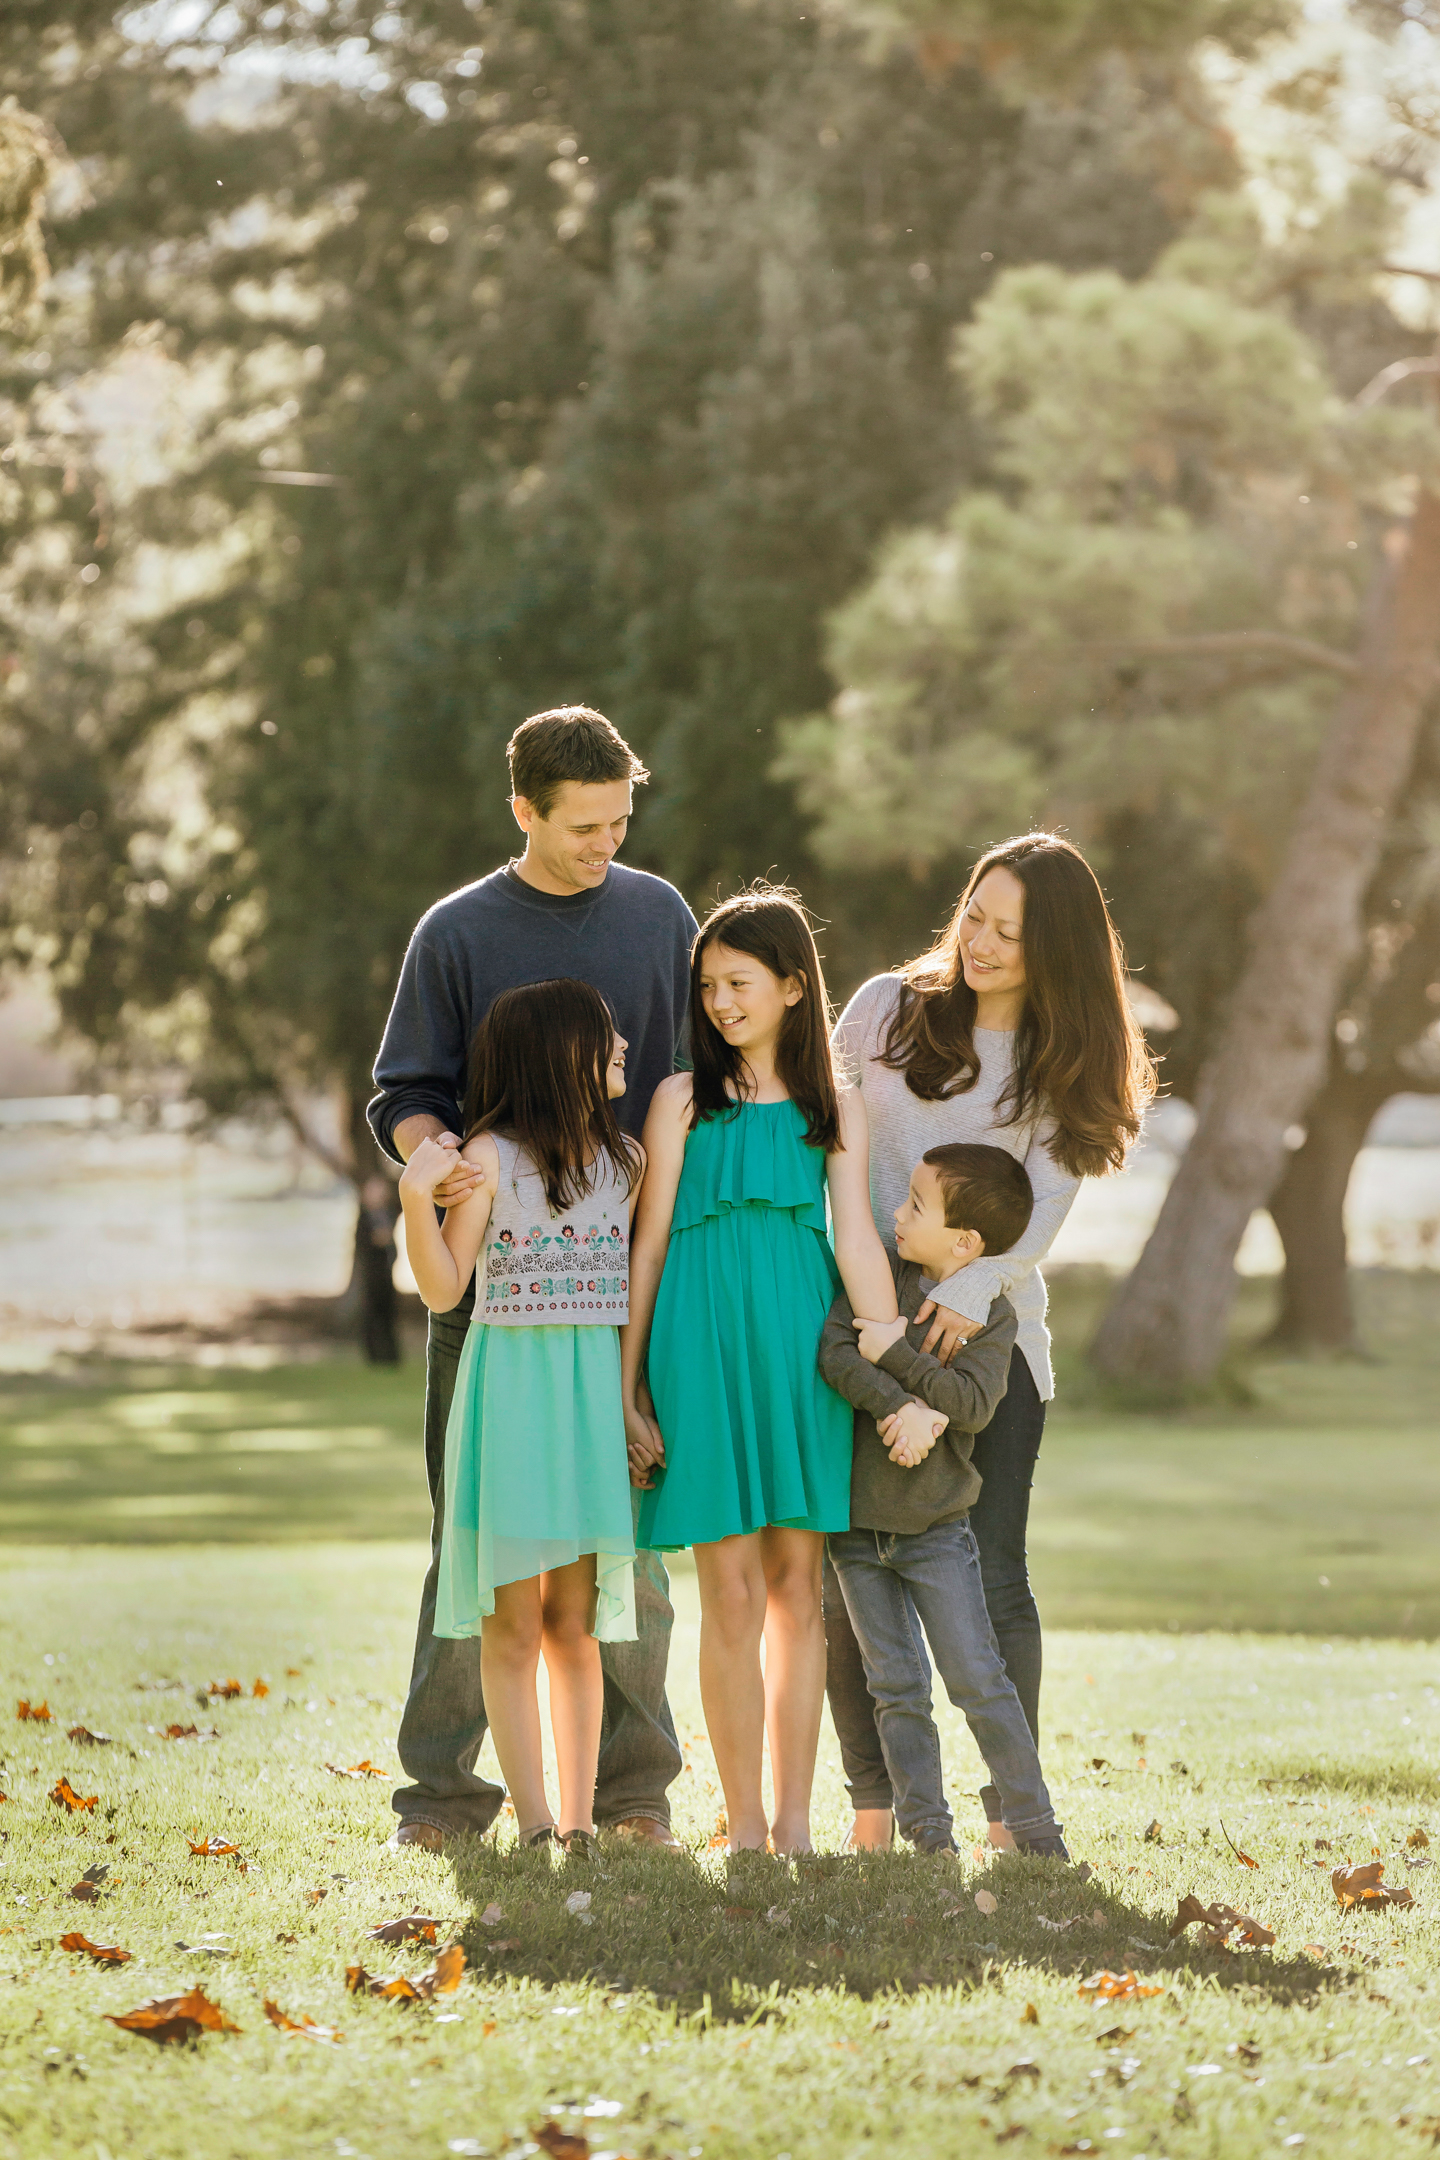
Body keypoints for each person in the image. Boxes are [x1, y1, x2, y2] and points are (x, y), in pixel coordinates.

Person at [368, 705, 697, 1852]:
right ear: (524, 811)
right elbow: (404, 1089)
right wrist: (437, 1160)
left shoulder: (660, 916)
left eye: (620, 821)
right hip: (493, 1282)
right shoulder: (457, 932)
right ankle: (447, 1800)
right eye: (581, 827)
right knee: (476, 1550)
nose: (606, 843)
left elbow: (687, 1078)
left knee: (632, 1564)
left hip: (621, 1284)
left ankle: (630, 1797)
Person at [826, 832, 1155, 1852]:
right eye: (977, 914)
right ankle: (875, 1810)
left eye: (1010, 932)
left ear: (1053, 947)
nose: (982, 942)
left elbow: (1051, 1200)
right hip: (862, 1330)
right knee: (857, 1574)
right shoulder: (885, 1005)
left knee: (993, 1574)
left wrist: (968, 1288)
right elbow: (827, 1135)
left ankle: (1016, 1813)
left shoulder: (1060, 1056)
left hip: (989, 1354)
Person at [622, 888, 899, 1856]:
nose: (720, 1004)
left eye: (739, 984)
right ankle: (740, 1824)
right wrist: (629, 1386)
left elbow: (857, 1237)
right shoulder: (679, 1100)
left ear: (792, 985)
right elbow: (648, 1247)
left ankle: (792, 1825)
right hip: (697, 1349)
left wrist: (891, 1352)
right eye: (707, 988)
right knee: (729, 1592)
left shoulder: (838, 1105)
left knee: (798, 1589)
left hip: (799, 1355)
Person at [397, 980, 643, 1855]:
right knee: (512, 1623)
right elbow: (441, 1287)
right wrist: (413, 1205)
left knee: (575, 1625)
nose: (622, 1050)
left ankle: (580, 1822)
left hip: (586, 1400)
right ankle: (534, 1822)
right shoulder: (491, 1159)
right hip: (510, 1399)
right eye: (605, 1039)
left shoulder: (630, 1162)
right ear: (558, 1056)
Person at [820, 1141, 1068, 1860]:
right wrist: (901, 1406)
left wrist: (898, 1355)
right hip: (858, 1532)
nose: (896, 1214)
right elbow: (838, 1351)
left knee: (978, 1681)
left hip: (936, 1530)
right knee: (897, 1687)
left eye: (915, 1205)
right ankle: (927, 1832)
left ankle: (1034, 1827)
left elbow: (972, 1404)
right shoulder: (880, 1279)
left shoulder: (991, 1317)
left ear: (965, 1241)